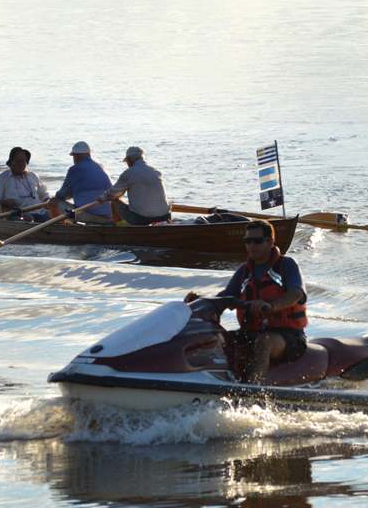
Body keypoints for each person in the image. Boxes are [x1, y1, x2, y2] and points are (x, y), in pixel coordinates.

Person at [185, 220, 307, 384]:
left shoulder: (287, 265)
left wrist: (271, 306)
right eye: (247, 241)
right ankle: (212, 381)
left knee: (264, 342)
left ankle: (252, 391)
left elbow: (296, 293)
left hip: (288, 336)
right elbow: (225, 297)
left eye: (257, 241)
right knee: (217, 339)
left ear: (270, 242)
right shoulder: (244, 271)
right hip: (251, 332)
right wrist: (200, 302)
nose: (251, 246)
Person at [98, 146, 171, 225]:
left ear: (129, 160)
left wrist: (102, 198)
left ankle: (120, 228)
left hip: (141, 218)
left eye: (127, 161)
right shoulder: (155, 171)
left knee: (114, 202)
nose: (127, 164)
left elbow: (112, 194)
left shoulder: (129, 173)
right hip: (165, 216)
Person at [51, 141, 113, 225]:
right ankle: (73, 224)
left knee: (54, 202)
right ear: (89, 154)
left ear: (76, 156)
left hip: (90, 216)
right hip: (110, 215)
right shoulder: (100, 167)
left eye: (73, 156)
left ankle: (58, 229)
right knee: (77, 207)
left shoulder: (75, 169)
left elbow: (61, 195)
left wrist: (53, 199)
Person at [0, 146, 51, 220]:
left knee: (58, 214)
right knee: (27, 219)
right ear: (11, 162)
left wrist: (48, 201)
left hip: (40, 212)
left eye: (24, 161)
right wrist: (5, 202)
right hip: (20, 214)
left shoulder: (32, 176)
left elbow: (44, 194)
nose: (21, 164)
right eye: (18, 161)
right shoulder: (2, 178)